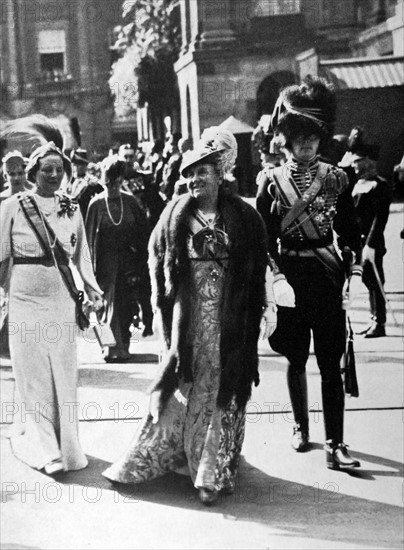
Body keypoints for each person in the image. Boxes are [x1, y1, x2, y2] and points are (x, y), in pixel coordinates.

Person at [102, 127, 276, 505]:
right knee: (184, 384)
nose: (195, 179)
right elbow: (155, 259)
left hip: (231, 320)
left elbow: (258, 265)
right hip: (189, 317)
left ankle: (211, 470)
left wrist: (266, 305)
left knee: (223, 388)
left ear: (220, 174)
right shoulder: (175, 215)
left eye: (202, 171)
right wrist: (163, 307)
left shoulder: (244, 217)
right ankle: (171, 458)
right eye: (190, 173)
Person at [257, 77, 363, 470]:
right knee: (297, 357)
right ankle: (301, 428)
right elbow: (265, 239)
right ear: (285, 139)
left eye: (313, 137)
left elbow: (350, 232)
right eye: (298, 136)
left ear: (322, 139)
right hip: (290, 280)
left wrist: (351, 267)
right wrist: (275, 277)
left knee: (331, 361)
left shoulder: (337, 179)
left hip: (326, 275)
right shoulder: (270, 183)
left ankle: (336, 442)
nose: (306, 143)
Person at [0, 115, 103, 474]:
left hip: (60, 299)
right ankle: (44, 449)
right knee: (32, 373)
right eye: (47, 170)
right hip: (24, 297)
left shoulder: (71, 207)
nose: (54, 176)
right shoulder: (12, 206)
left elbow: (82, 256)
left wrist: (92, 291)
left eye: (59, 170)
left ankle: (68, 446)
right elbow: (0, 256)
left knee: (62, 370)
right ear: (33, 172)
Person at [85, 156, 153, 362]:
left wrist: (143, 261)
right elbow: (87, 240)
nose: (112, 188)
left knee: (126, 306)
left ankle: (124, 345)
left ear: (121, 180)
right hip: (104, 264)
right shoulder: (95, 205)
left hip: (129, 263)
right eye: (108, 184)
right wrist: (87, 272)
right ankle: (109, 348)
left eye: (115, 183)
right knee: (105, 307)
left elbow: (144, 233)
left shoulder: (130, 201)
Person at [350, 143, 391, 338]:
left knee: (375, 281)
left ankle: (379, 322)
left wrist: (371, 244)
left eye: (358, 162)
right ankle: (373, 318)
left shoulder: (379, 185)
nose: (355, 167)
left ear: (367, 162)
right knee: (367, 280)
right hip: (359, 242)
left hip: (371, 243)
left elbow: (379, 218)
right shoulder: (358, 184)